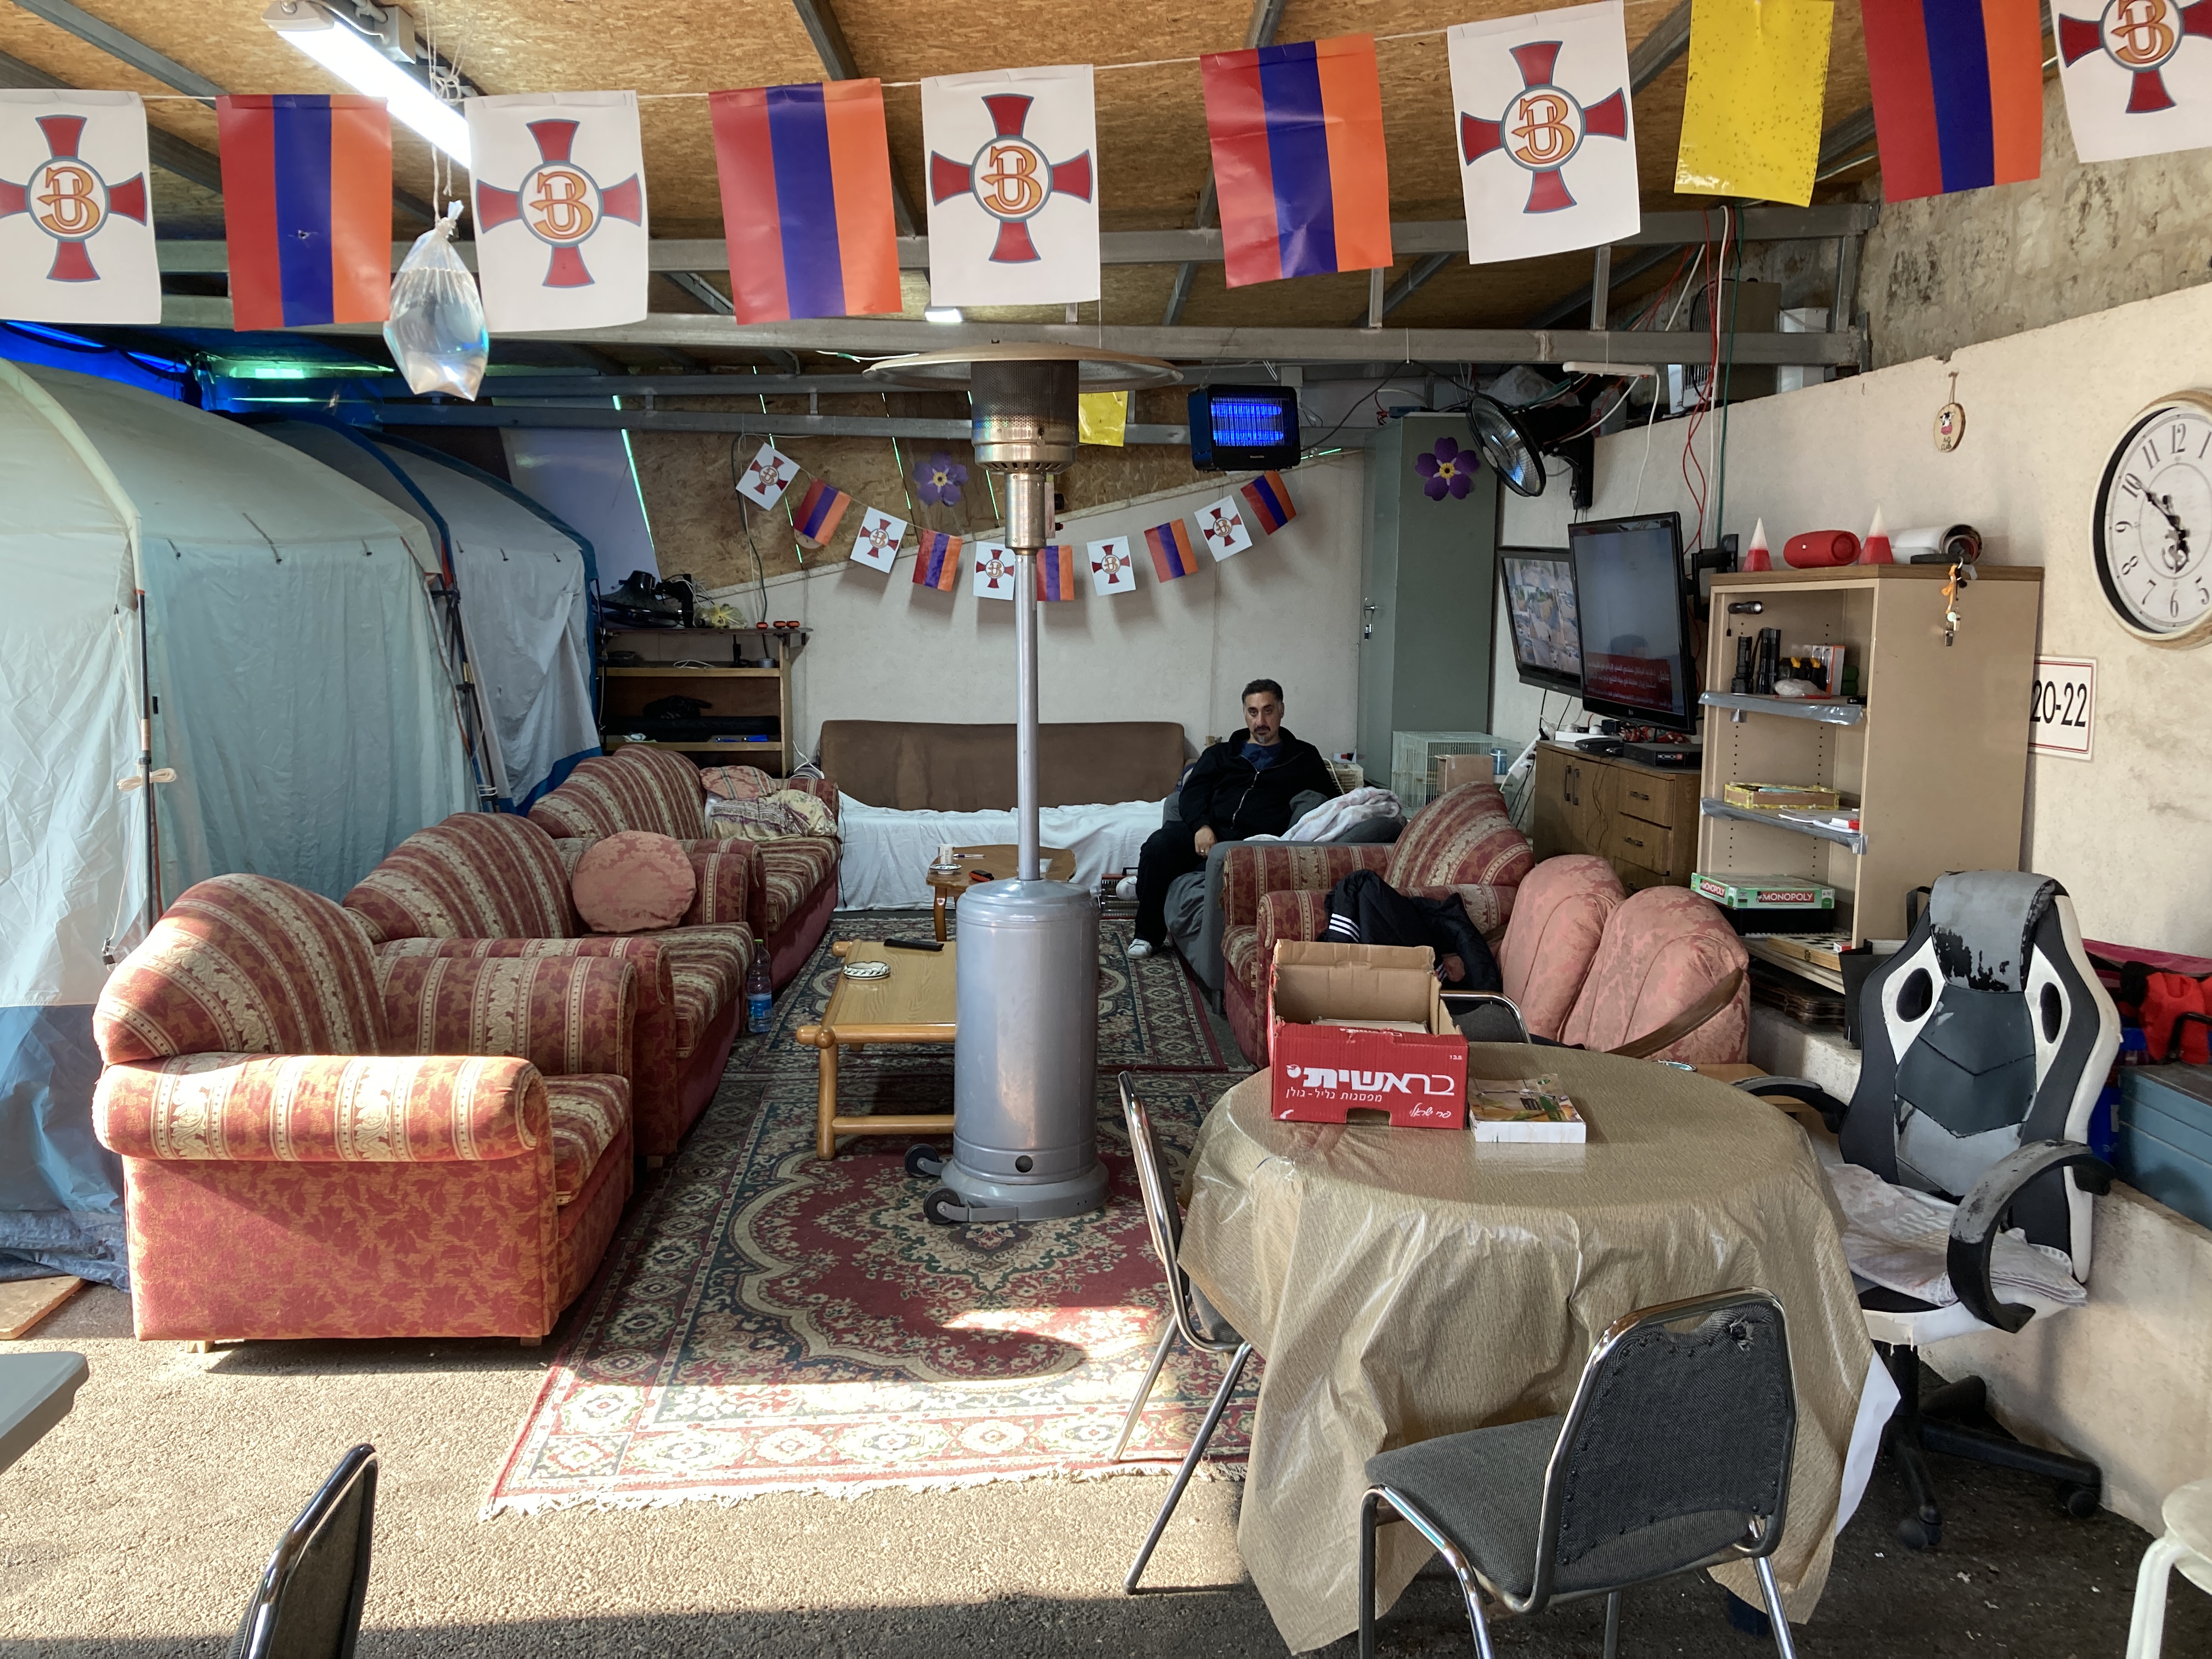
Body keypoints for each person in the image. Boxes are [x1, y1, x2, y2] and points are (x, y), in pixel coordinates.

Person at [1128, 679, 1336, 959]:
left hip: (1254, 844)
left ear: (1282, 711)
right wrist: (1201, 826)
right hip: (1209, 832)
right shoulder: (1221, 754)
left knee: (1162, 867)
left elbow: (1333, 803)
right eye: (1253, 712)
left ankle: (1144, 884)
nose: (1260, 720)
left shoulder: (1303, 756)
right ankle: (1146, 935)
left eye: (1268, 711)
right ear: (1244, 713)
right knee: (1158, 846)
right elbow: (1192, 793)